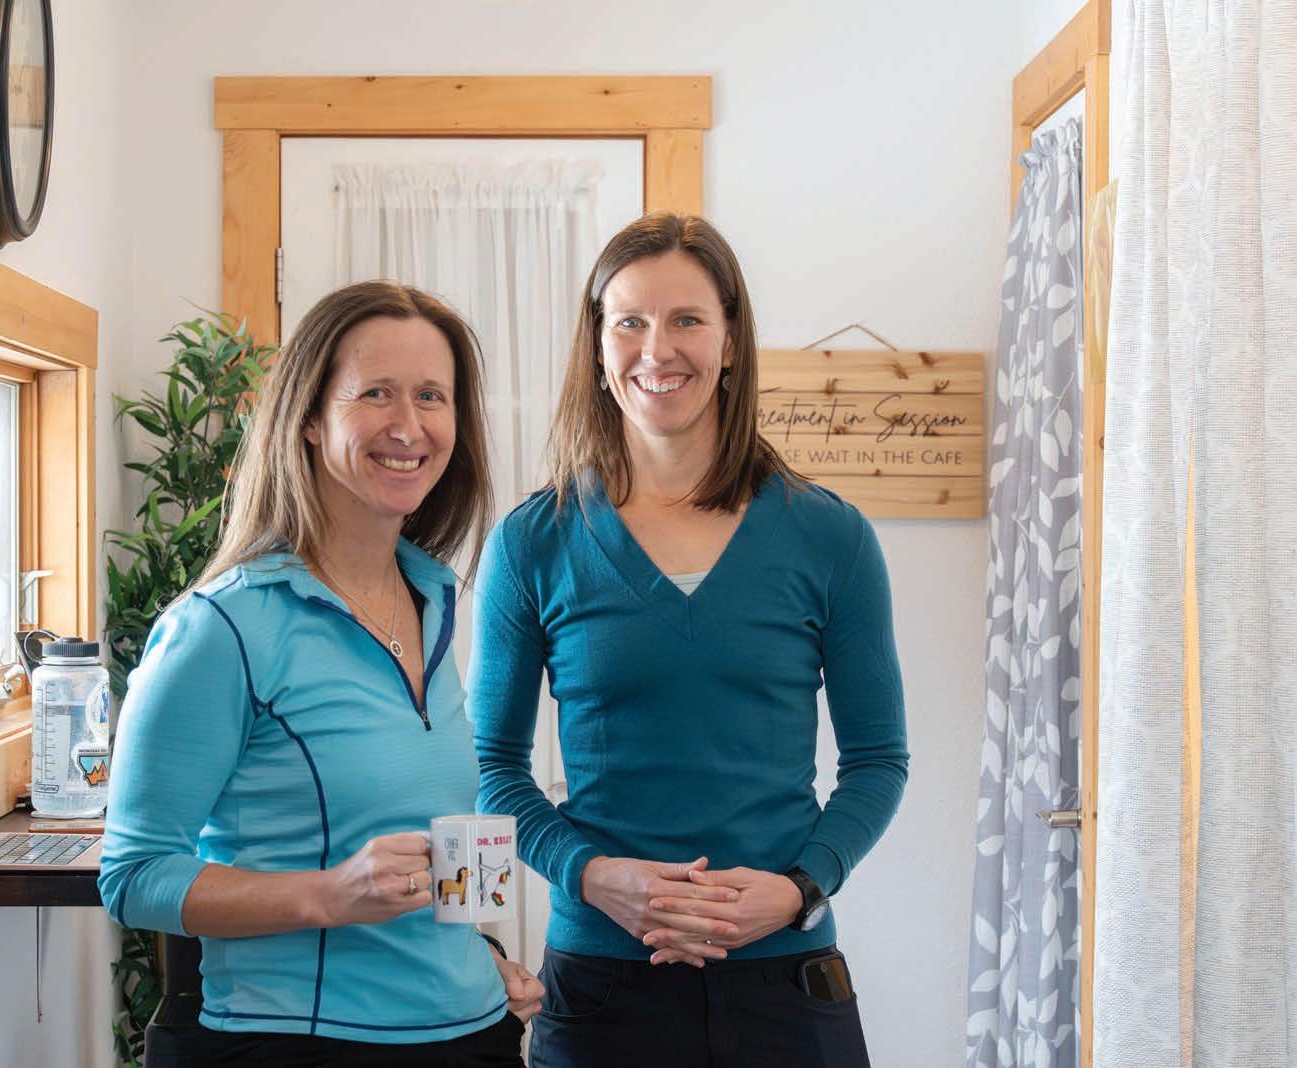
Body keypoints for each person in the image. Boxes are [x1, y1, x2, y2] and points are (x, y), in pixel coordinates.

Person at [469, 214, 909, 1067]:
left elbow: (878, 761)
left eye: (686, 320)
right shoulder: (532, 543)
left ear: (731, 341)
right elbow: (492, 766)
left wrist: (799, 888)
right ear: (598, 345)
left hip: (786, 982)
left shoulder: (831, 537)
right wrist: (594, 876)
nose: (656, 349)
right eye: (629, 321)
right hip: (601, 990)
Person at [100, 281, 543, 1066]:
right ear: (309, 418)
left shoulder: (436, 601)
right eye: (376, 393)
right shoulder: (222, 627)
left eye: (431, 396)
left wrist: (478, 960)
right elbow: (135, 876)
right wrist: (328, 895)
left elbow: (421, 844)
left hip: (473, 1034)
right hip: (295, 1043)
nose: (408, 425)